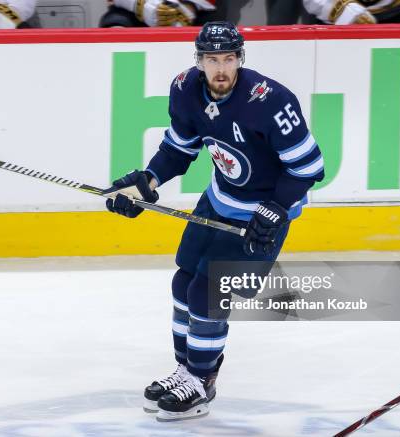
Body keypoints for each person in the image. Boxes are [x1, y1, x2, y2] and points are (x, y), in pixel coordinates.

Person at [105, 21, 325, 421]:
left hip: (263, 213)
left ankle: (202, 381)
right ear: (199, 60)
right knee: (184, 281)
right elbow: (179, 147)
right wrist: (148, 183)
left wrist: (275, 208)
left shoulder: (270, 100)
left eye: (228, 58)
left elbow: (310, 166)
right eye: (211, 59)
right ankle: (185, 371)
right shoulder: (185, 88)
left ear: (240, 59)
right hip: (218, 198)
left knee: (208, 293)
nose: (220, 68)